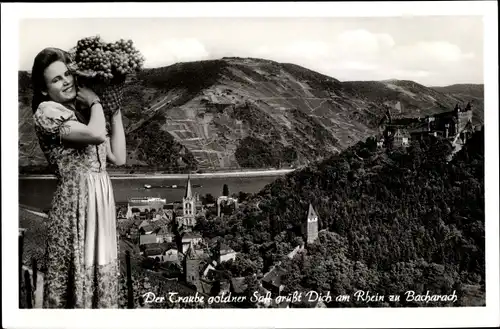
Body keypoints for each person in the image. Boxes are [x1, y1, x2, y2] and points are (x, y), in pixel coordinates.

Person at [31, 47, 126, 308]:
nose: (67, 82)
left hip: (100, 204)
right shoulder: (47, 112)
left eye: (67, 75)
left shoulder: (82, 115)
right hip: (76, 205)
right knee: (77, 280)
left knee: (98, 278)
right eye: (56, 79)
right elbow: (97, 136)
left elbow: (118, 157)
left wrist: (113, 108)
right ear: (43, 89)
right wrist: (96, 101)